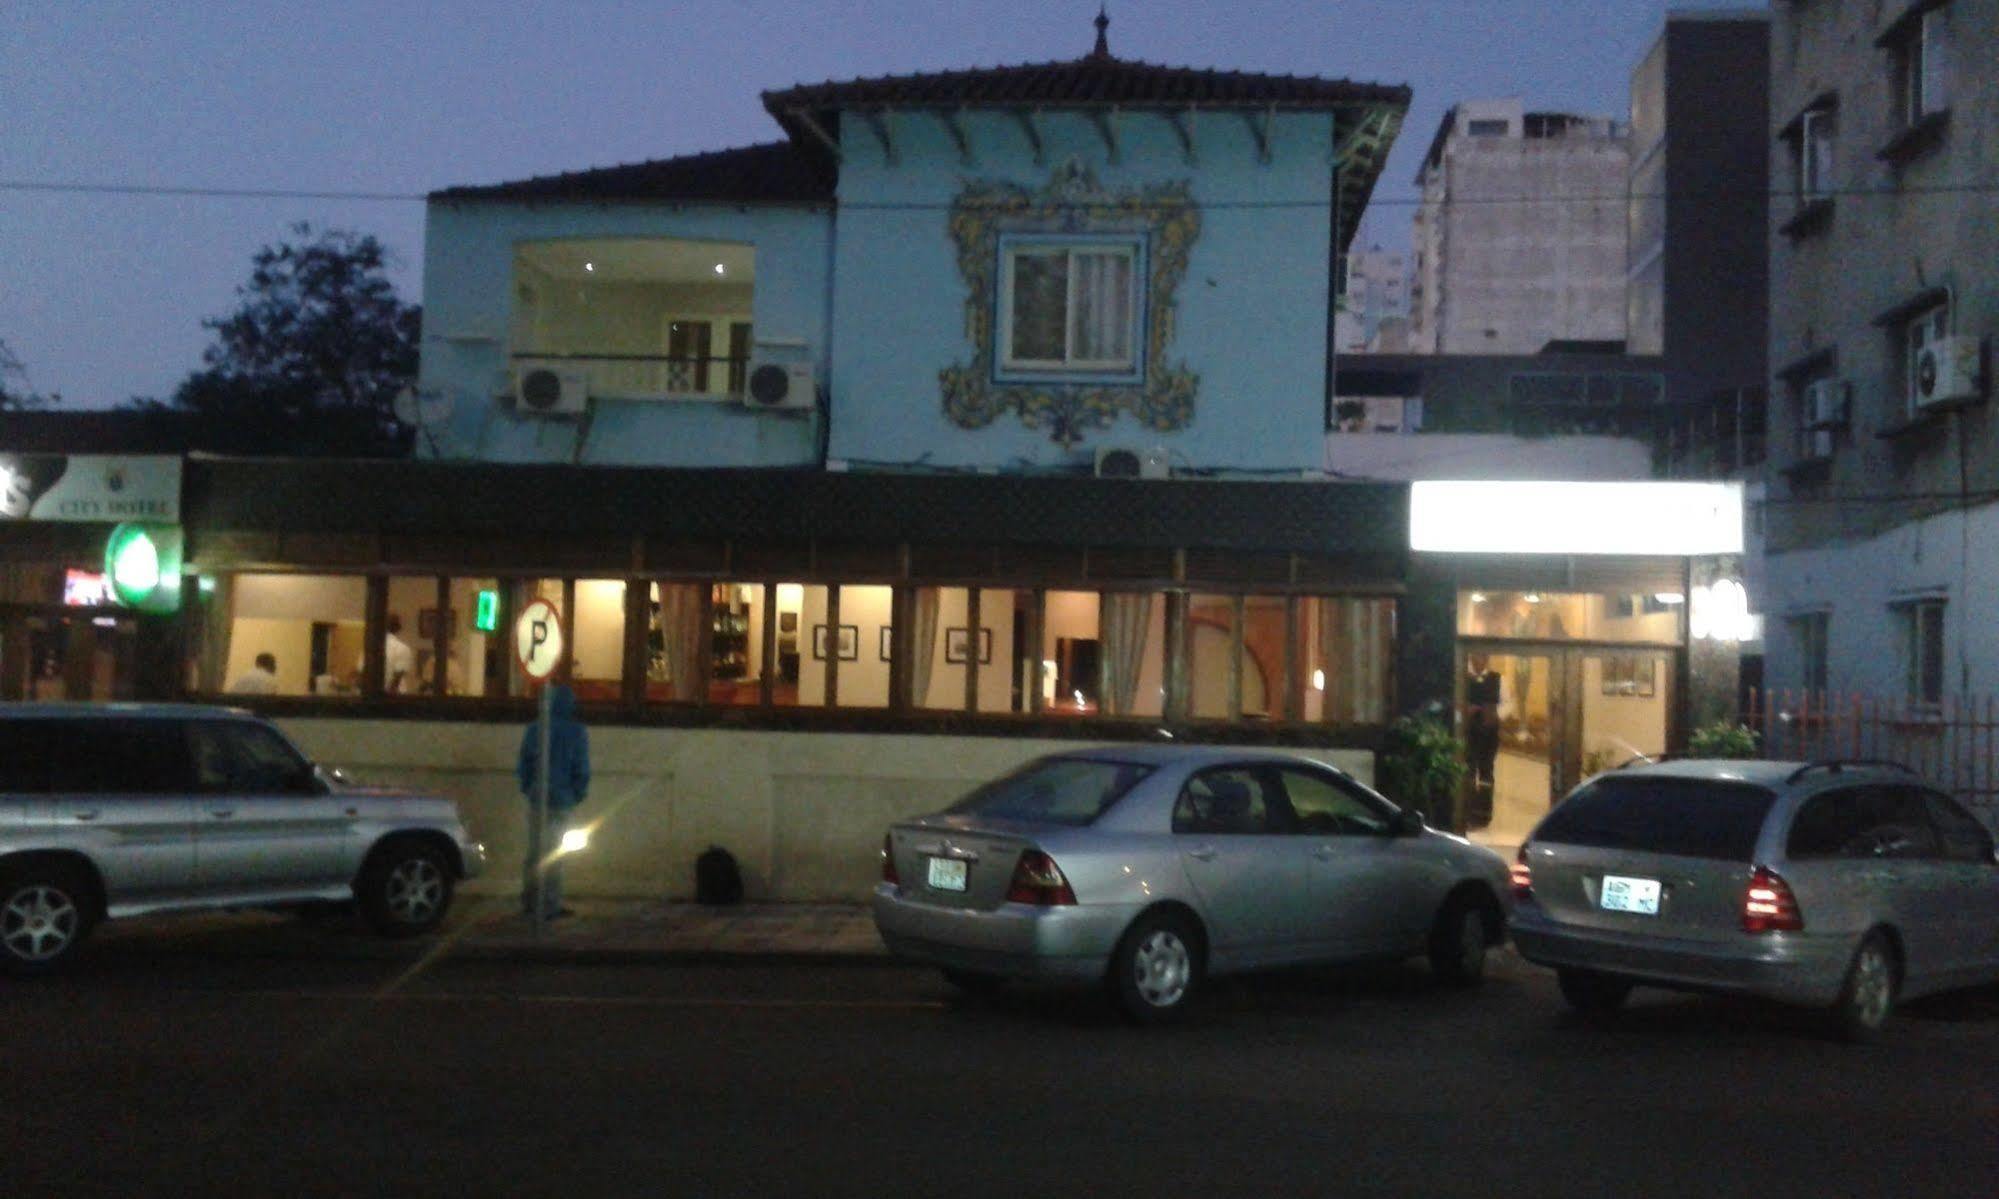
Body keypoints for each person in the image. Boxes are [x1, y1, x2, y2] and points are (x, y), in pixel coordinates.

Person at [516, 683, 590, 920]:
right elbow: (581, 767)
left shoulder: (534, 729)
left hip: (538, 797)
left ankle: (530, 900)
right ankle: (550, 904)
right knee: (556, 853)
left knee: (535, 851)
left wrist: (529, 788)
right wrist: (577, 793)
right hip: (562, 799)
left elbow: (524, 764)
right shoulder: (576, 732)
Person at [355, 614, 416, 693]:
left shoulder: (369, 648)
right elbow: (396, 680)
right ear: (397, 628)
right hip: (394, 698)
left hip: (370, 695)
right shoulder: (403, 649)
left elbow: (360, 675)